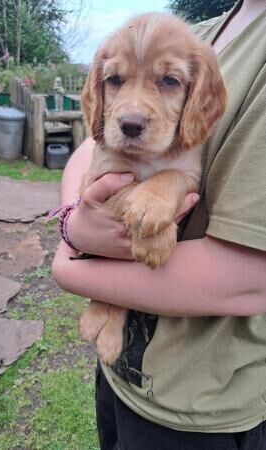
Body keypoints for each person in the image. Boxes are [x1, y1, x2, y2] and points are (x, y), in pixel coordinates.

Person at [52, 0, 266, 448]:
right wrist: (74, 221)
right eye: (116, 80)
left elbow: (251, 278)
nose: (132, 111)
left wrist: (71, 267)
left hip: (198, 405)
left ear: (194, 94)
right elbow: (90, 155)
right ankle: (108, 306)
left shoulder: (214, 60)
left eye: (167, 82)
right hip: (121, 376)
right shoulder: (203, 30)